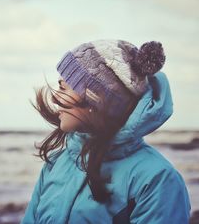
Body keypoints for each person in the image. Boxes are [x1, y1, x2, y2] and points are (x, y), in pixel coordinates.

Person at [20, 39, 192, 223]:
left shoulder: (157, 180)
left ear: (97, 100)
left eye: (64, 87)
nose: (55, 98)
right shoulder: (56, 163)